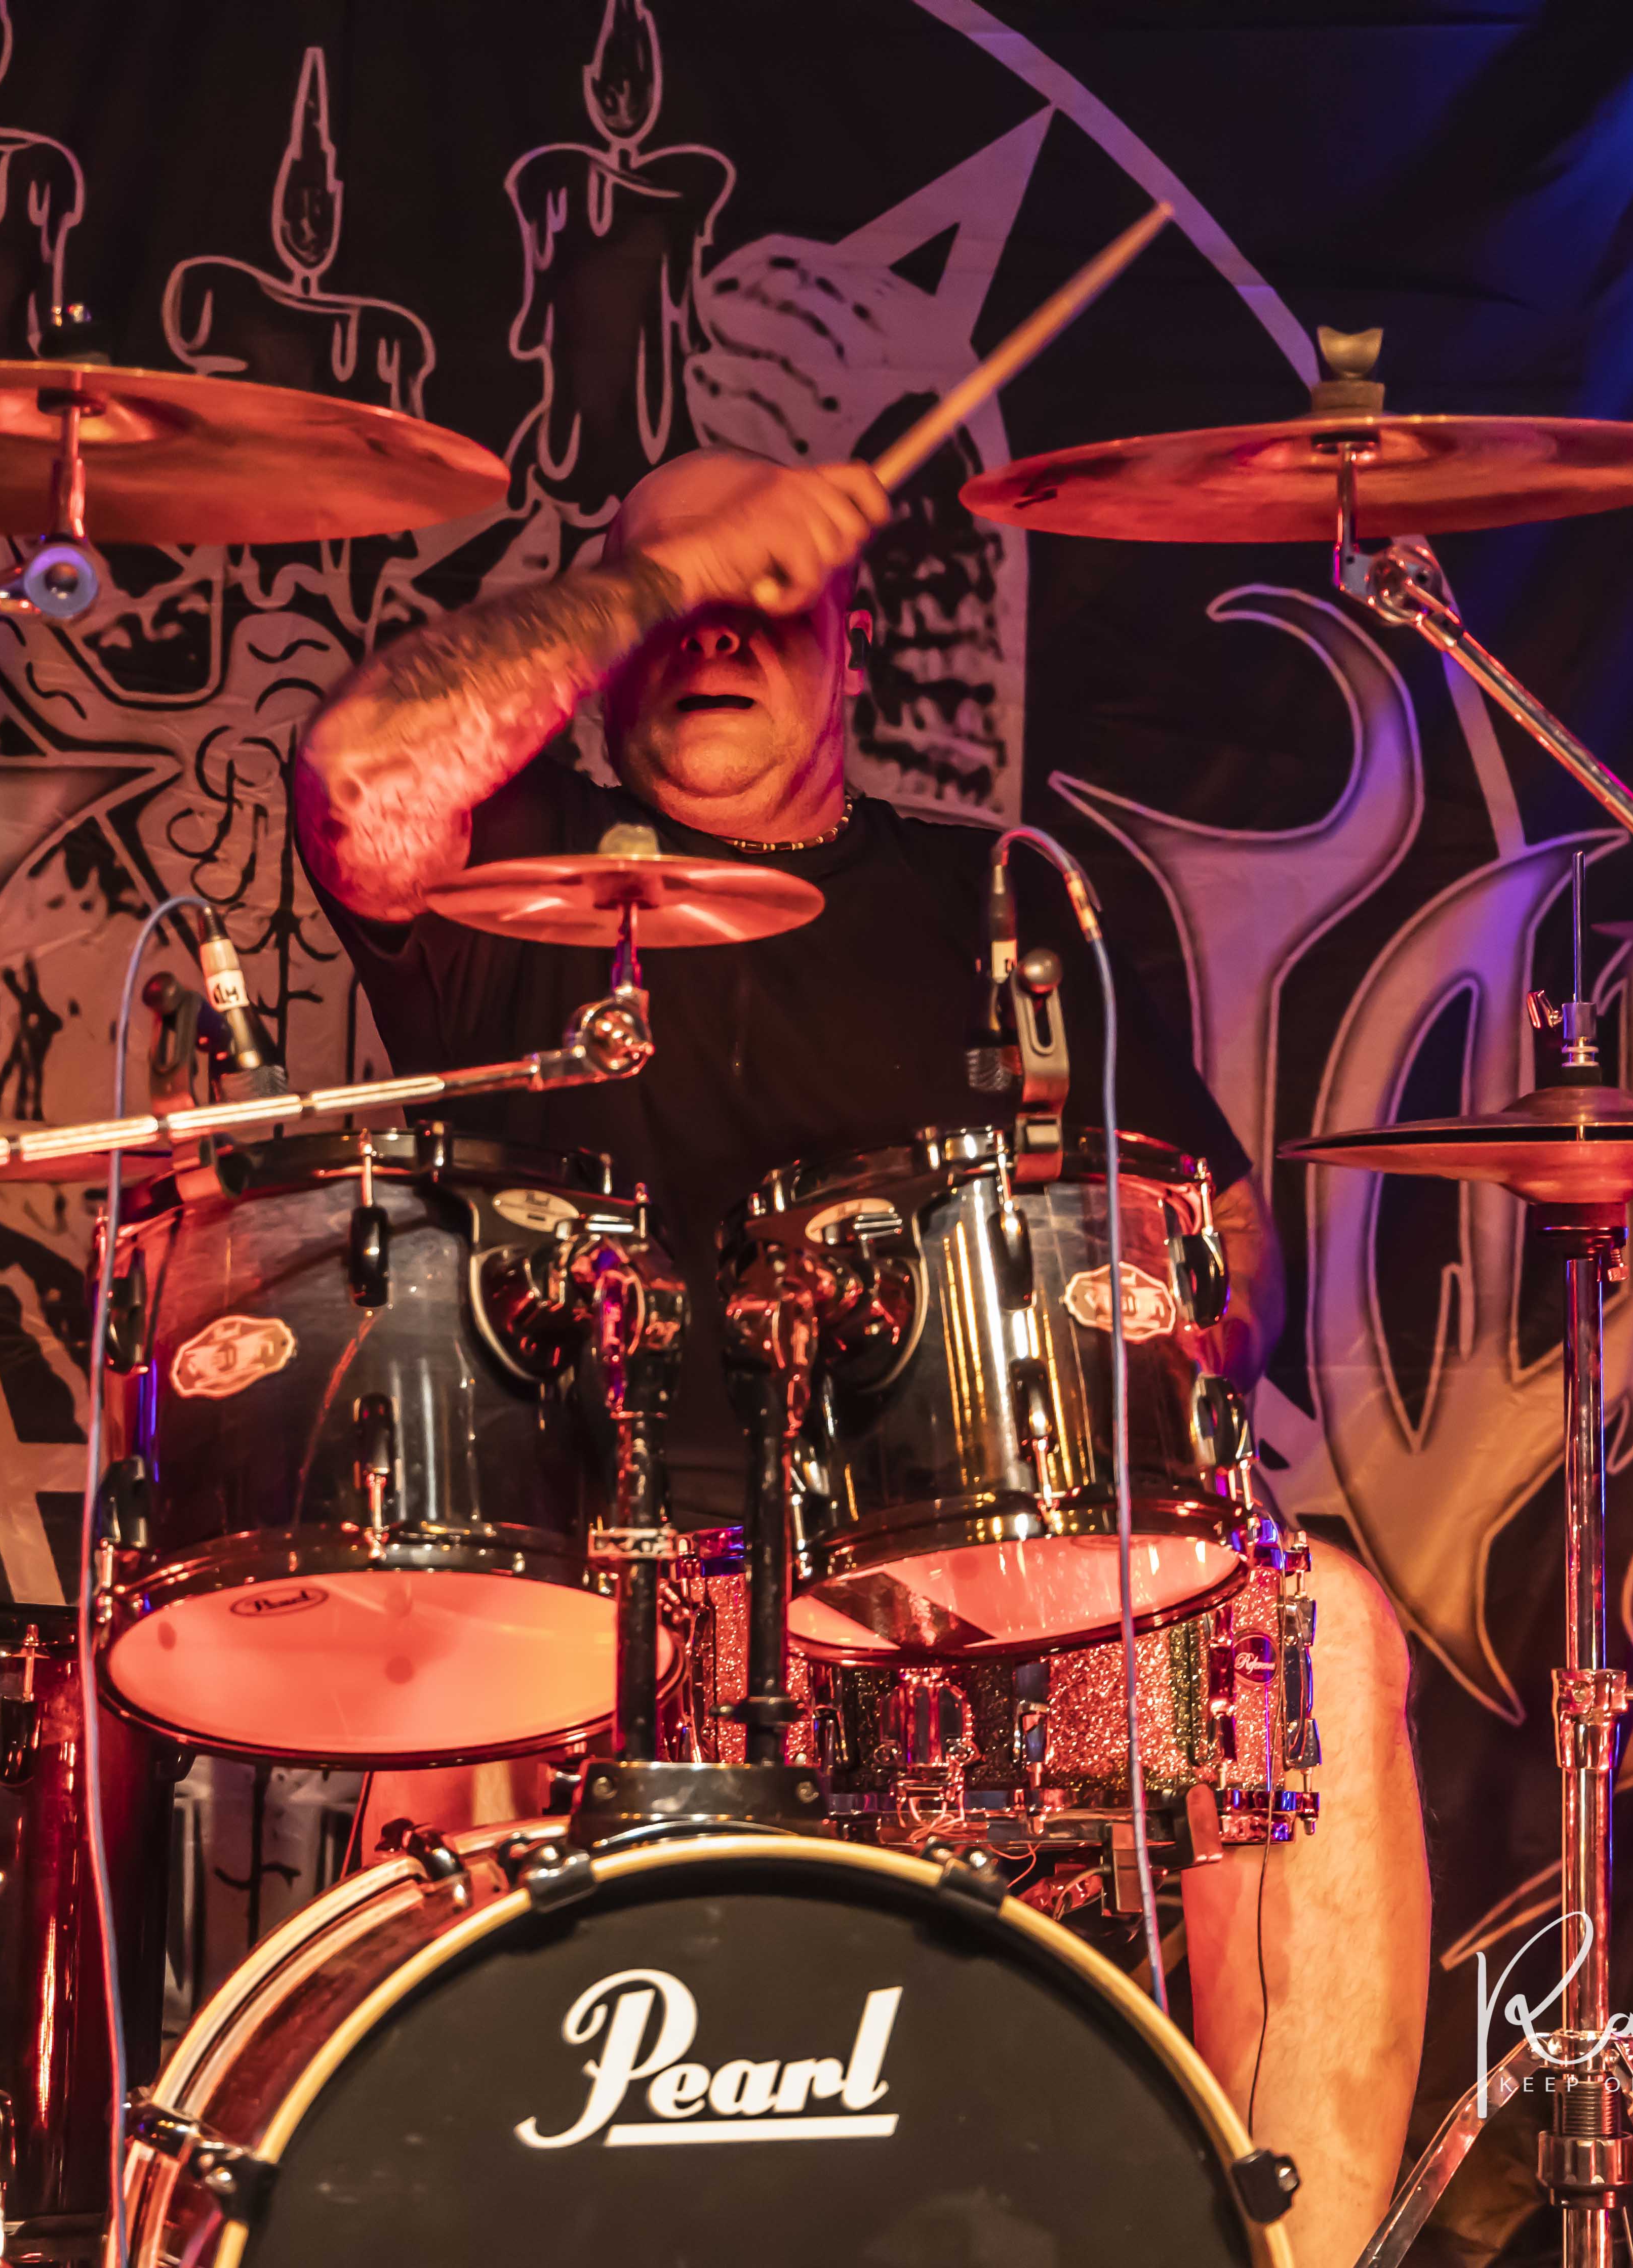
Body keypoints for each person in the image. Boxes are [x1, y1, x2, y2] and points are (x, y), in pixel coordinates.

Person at [290, 447, 1427, 2264]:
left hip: (971, 1598)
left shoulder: (1001, 900)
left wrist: (1173, 1319)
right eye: (670, 605)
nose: (712, 636)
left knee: (1320, 1633)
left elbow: (1215, 1228)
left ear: (855, 639)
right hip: (601, 1589)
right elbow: (360, 780)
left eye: (763, 599)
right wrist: (671, 574)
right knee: (451, 1688)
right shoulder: (519, 886)